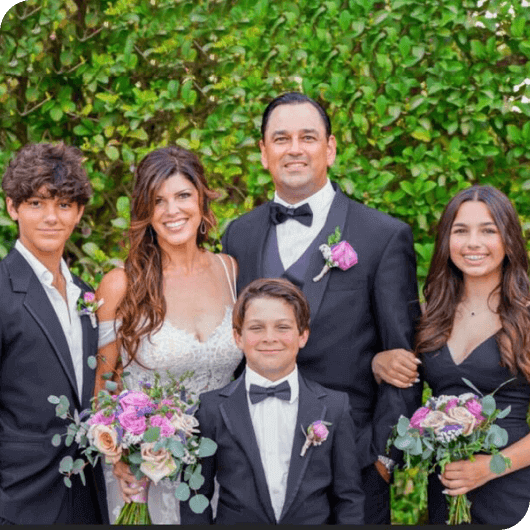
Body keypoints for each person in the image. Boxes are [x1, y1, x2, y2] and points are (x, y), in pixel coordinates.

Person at [221, 92, 421, 523]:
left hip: (354, 463)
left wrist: (384, 457)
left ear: (329, 148)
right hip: (254, 465)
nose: (294, 149)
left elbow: (404, 358)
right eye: (281, 138)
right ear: (263, 153)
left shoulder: (382, 236)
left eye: (307, 137)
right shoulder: (238, 236)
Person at [94, 145, 243, 523]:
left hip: (227, 466)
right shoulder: (119, 285)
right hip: (147, 477)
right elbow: (103, 385)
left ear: (201, 199)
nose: (173, 211)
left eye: (182, 196)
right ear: (145, 212)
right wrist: (116, 458)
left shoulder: (231, 271)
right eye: (158, 201)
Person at [375, 185, 530, 525]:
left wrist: (489, 468)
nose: (473, 243)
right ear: (446, 240)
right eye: (460, 231)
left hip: (513, 494)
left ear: (508, 239)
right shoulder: (431, 314)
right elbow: (404, 374)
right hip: (446, 491)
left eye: (488, 230)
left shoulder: (527, 317)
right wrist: (378, 362)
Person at [180, 277, 365, 524]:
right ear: (238, 337)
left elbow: (348, 500)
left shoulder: (334, 407)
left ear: (302, 336)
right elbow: (195, 498)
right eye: (256, 328)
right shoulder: (211, 409)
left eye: (283, 327)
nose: (269, 338)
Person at [0, 143, 109, 524]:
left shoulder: (86, 293)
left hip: (87, 494)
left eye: (63, 205)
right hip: (20, 499)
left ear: (78, 213)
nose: (51, 217)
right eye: (36, 204)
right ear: (13, 207)